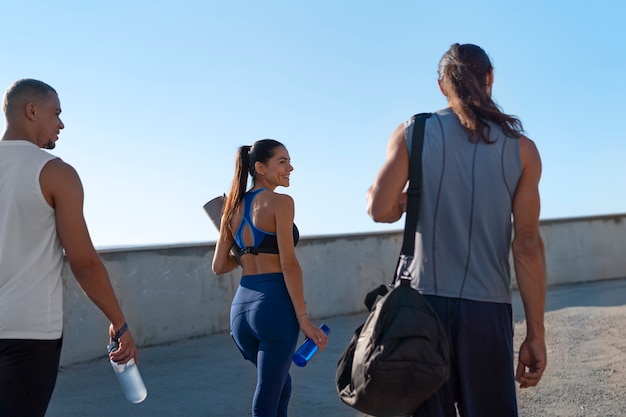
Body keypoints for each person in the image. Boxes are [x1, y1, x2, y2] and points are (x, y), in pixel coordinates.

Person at [367, 44, 547, 416]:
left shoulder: (413, 132)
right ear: (490, 78)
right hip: (487, 311)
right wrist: (535, 334)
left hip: (421, 310)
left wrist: (414, 196)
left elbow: (380, 209)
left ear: (440, 86)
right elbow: (527, 245)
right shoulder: (523, 149)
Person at [0, 79, 139, 416]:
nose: (61, 124)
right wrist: (119, 323)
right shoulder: (55, 173)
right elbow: (84, 263)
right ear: (31, 111)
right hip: (28, 332)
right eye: (56, 114)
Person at [212, 139, 328, 417]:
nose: (290, 167)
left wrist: (248, 254)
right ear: (261, 167)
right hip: (273, 308)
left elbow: (218, 265)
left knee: (280, 385)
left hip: (241, 312)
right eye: (283, 161)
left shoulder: (231, 208)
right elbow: (289, 265)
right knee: (267, 397)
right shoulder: (281, 202)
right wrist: (304, 321)